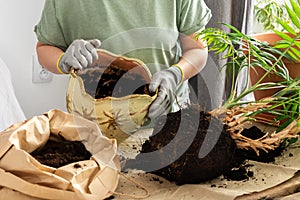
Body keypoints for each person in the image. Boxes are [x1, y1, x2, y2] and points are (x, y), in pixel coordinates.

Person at [34, 0, 212, 121]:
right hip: (94, 126)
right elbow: (45, 47)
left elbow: (197, 49)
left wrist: (176, 74)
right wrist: (62, 61)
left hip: (167, 122)